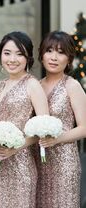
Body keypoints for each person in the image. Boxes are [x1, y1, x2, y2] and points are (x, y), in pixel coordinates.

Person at [0, 31, 49, 208]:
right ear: (0, 55)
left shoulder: (32, 85)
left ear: (28, 58)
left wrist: (16, 147)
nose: (12, 59)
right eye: (7, 53)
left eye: (19, 54)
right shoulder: (0, 86)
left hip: (21, 165)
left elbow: (44, 130)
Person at [36, 31, 86, 208]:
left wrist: (56, 139)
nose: (54, 57)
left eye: (61, 52)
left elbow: (84, 128)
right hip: (38, 162)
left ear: (69, 58)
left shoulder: (72, 86)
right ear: (42, 55)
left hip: (64, 163)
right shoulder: (35, 85)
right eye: (49, 51)